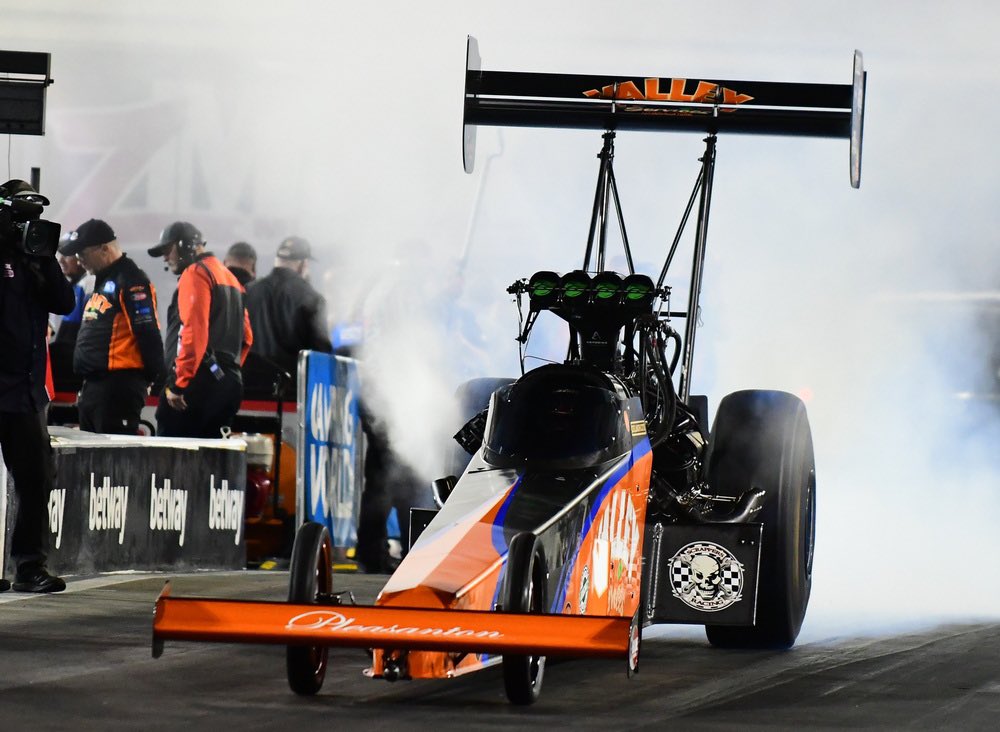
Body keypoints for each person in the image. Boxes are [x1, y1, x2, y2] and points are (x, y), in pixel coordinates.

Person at [0, 179, 76, 593]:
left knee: (36, 479)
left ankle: (29, 566)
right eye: (21, 217)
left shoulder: (36, 256)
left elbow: (64, 303)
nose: (29, 226)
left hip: (27, 393)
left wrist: (43, 258)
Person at [58, 219, 164, 434]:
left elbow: (148, 333)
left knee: (113, 462)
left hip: (118, 388)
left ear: (104, 249)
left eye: (83, 253)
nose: (79, 259)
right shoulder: (102, 280)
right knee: (90, 461)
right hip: (96, 388)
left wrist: (152, 378)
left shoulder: (131, 280)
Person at [148, 221, 252, 438]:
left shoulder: (196, 273)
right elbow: (247, 338)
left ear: (187, 245)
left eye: (168, 250)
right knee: (213, 463)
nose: (166, 258)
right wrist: (225, 373)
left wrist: (179, 383)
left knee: (171, 462)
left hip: (197, 384)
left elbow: (193, 332)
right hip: (228, 383)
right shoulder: (231, 278)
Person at [244, 236, 332, 379]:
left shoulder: (249, 291)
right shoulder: (311, 298)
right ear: (302, 264)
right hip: (291, 389)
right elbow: (321, 354)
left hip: (250, 385)